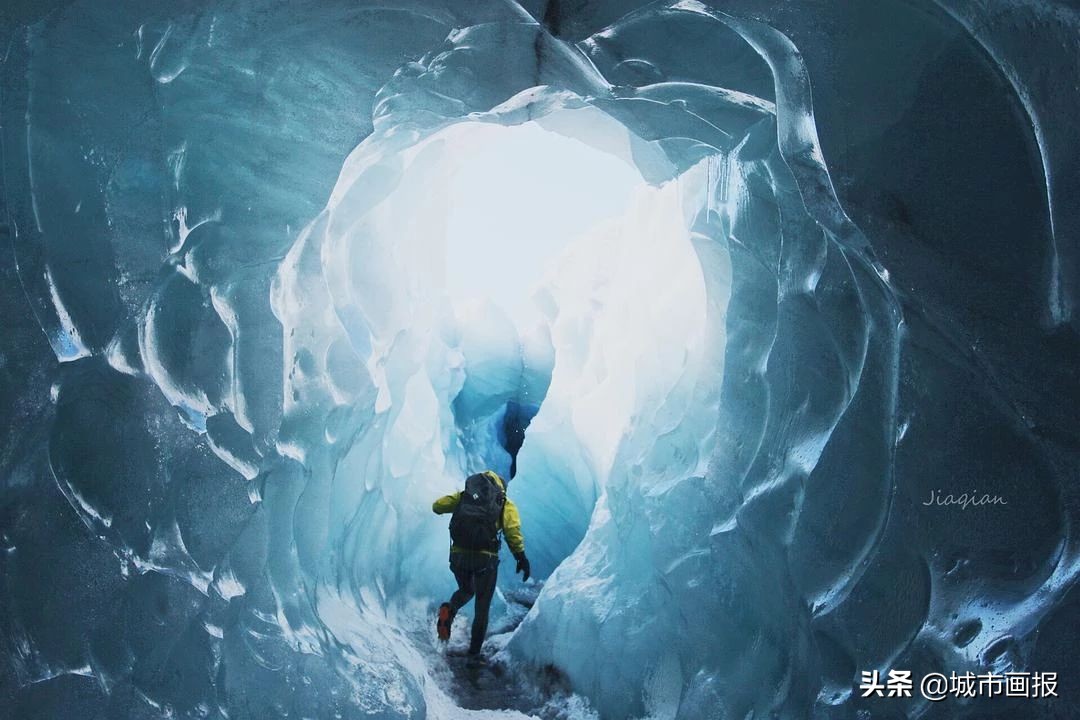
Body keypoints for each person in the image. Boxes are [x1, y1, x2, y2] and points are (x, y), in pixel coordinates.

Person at [432, 470, 530, 659]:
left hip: (459, 556)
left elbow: (437, 506)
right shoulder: (504, 503)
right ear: (502, 488)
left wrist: (461, 502)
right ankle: (474, 656)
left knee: (467, 589)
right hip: (485, 559)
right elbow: (512, 531)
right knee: (482, 607)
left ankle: (449, 610)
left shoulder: (465, 497)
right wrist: (521, 557)